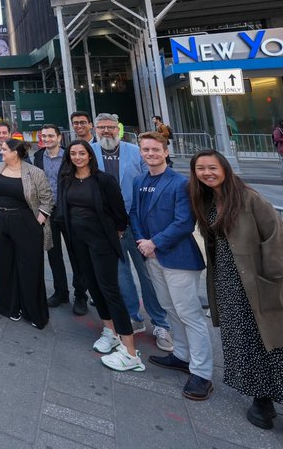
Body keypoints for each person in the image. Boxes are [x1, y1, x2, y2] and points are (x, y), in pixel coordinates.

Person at [187, 151, 283, 449]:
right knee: (242, 343)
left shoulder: (250, 199)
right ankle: (261, 399)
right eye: (201, 169)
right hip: (227, 283)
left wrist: (275, 279)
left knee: (278, 347)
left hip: (258, 283)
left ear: (225, 168)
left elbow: (275, 236)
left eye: (212, 167)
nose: (207, 173)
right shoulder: (207, 201)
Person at [132, 132, 213, 400]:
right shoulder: (139, 180)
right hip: (152, 256)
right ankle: (181, 354)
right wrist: (143, 243)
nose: (150, 154)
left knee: (189, 314)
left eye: (155, 149)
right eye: (146, 150)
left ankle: (202, 373)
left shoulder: (180, 183)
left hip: (177, 258)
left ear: (166, 152)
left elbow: (184, 222)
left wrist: (154, 243)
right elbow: (135, 214)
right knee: (170, 309)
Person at [58, 139, 144, 371]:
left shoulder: (104, 180)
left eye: (81, 153)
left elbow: (119, 212)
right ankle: (110, 331)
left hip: (101, 241)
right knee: (93, 286)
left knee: (110, 289)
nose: (77, 157)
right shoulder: (66, 180)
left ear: (90, 155)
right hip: (78, 242)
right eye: (73, 153)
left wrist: (115, 234)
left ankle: (130, 351)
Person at [93, 113, 173, 350]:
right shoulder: (89, 151)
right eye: (101, 127)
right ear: (95, 129)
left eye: (110, 127)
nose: (106, 131)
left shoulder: (134, 151)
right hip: (107, 225)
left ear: (117, 128)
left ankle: (160, 323)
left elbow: (150, 179)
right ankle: (133, 317)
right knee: (121, 275)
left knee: (148, 274)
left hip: (136, 223)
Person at [0, 138, 52, 327]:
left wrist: (38, 222)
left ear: (15, 152)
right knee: (3, 264)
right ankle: (9, 306)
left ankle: (33, 311)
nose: (1, 152)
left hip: (25, 223)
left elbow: (47, 198)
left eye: (4, 149)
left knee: (29, 267)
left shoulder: (34, 172)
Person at [33, 124, 82, 310]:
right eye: (44, 136)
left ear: (59, 137)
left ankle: (80, 295)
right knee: (53, 254)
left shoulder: (70, 156)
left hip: (69, 211)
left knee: (76, 254)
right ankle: (61, 292)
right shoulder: (38, 157)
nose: (47, 139)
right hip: (48, 212)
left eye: (50, 136)